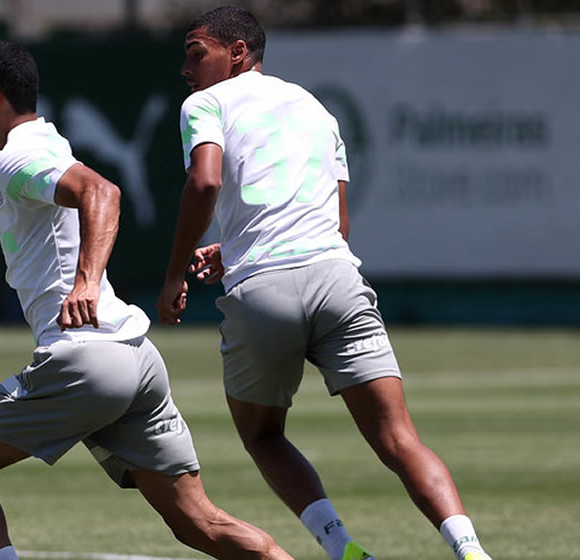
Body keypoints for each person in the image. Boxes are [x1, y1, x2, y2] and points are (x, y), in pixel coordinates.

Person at [0, 40, 292, 560]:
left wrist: (86, 280)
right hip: (135, 359)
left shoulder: (22, 156)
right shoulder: (9, 157)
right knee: (199, 522)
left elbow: (102, 192)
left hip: (85, 358)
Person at [156, 7, 494, 560]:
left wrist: (174, 274)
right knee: (400, 438)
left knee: (264, 436)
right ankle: (472, 551)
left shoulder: (204, 104)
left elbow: (206, 180)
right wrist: (235, 243)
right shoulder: (317, 108)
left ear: (237, 53)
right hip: (337, 278)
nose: (187, 69)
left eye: (197, 54)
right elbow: (338, 224)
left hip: (263, 290)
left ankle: (343, 550)